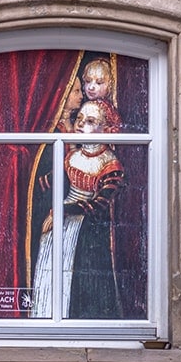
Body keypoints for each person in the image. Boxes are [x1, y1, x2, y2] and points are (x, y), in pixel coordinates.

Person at [31, 98, 124, 319]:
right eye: (79, 119)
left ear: (107, 130)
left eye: (90, 121)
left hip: (87, 229)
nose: (81, 125)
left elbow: (100, 204)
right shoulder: (72, 156)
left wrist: (61, 212)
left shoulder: (111, 165)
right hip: (60, 217)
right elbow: (51, 181)